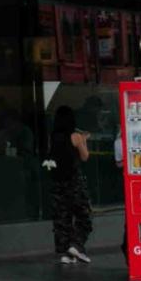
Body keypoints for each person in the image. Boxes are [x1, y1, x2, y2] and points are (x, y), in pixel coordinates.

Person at [46, 105, 94, 265]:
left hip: (57, 183)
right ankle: (77, 245)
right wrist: (84, 141)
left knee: (63, 217)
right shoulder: (75, 136)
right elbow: (85, 156)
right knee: (84, 216)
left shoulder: (53, 136)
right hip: (74, 182)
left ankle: (66, 251)